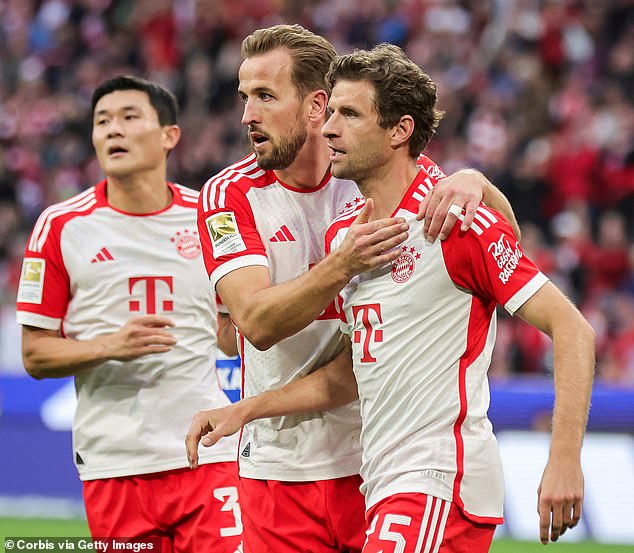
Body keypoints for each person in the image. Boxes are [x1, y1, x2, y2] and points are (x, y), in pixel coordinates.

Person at [189, 43, 595, 552]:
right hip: (370, 477)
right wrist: (247, 410)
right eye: (333, 113)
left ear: (399, 131)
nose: (331, 129)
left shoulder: (451, 217)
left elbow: (567, 321)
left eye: (348, 114)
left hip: (433, 476)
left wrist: (563, 457)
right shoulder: (348, 232)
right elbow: (348, 369)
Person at [16, 76, 243, 552]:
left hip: (207, 451)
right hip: (115, 463)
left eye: (128, 117)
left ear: (169, 136)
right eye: (102, 122)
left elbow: (231, 328)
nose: (112, 131)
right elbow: (34, 355)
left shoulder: (209, 216)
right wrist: (109, 346)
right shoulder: (62, 226)